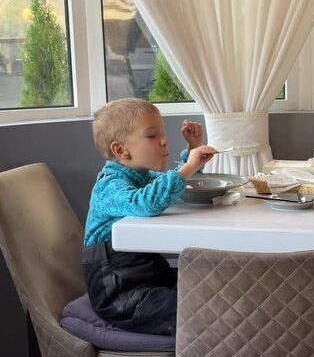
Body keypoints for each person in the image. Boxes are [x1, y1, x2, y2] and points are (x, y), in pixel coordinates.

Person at [83, 98, 216, 336]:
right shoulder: (109, 186)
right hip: (122, 295)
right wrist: (188, 169)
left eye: (162, 133)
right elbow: (147, 202)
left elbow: (167, 188)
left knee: (211, 287)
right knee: (199, 313)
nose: (164, 140)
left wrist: (192, 150)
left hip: (151, 280)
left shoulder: (142, 176)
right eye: (152, 135)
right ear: (121, 150)